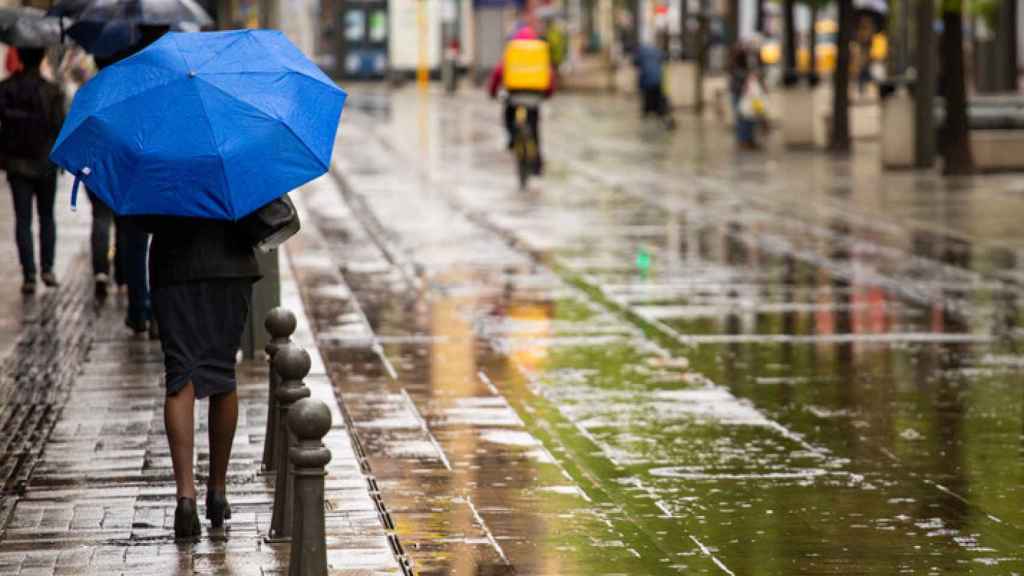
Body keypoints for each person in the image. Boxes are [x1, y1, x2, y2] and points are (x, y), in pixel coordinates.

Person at [136, 214, 260, 539]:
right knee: (222, 372)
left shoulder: (158, 161)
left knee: (180, 375)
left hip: (174, 268)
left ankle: (185, 497)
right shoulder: (234, 160)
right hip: (230, 264)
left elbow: (140, 219)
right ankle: (217, 492)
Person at [0, 47, 65, 294]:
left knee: (23, 220)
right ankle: (47, 268)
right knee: (47, 217)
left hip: (17, 165)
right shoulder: (52, 91)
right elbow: (60, 126)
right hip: (46, 163)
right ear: (41, 59)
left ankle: (29, 274)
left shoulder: (6, 88)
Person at [488, 23, 555, 172]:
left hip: (514, 96)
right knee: (535, 129)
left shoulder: (513, 51)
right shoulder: (539, 52)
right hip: (534, 98)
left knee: (508, 117)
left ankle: (512, 139)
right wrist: (547, 93)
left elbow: (498, 72)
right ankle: (537, 165)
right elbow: (549, 75)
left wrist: (492, 92)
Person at [633, 43, 676, 130]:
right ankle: (661, 116)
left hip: (648, 81)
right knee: (658, 100)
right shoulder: (657, 51)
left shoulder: (640, 53)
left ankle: (650, 116)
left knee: (648, 100)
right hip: (659, 79)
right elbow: (666, 58)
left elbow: (636, 64)